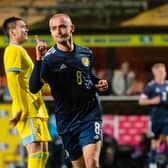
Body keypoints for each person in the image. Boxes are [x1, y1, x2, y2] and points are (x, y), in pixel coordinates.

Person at [29, 13, 108, 168]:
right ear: (51, 32)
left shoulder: (86, 53)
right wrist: (38, 59)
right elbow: (33, 87)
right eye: (54, 28)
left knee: (91, 163)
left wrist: (99, 82)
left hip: (89, 114)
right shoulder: (48, 60)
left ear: (71, 28)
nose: (58, 31)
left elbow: (87, 76)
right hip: (66, 121)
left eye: (62, 26)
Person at [2, 17, 51, 168]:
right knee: (36, 152)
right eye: (22, 27)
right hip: (27, 110)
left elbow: (34, 82)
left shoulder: (20, 50)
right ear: (12, 32)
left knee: (43, 152)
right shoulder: (13, 50)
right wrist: (21, 108)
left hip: (36, 109)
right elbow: (13, 81)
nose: (26, 30)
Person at [139, 63, 168, 168]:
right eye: (160, 71)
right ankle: (152, 164)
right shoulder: (151, 86)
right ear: (154, 73)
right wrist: (153, 101)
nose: (162, 74)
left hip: (167, 118)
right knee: (155, 142)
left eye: (164, 71)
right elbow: (141, 101)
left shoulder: (167, 84)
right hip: (156, 119)